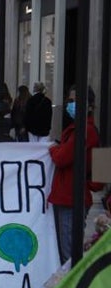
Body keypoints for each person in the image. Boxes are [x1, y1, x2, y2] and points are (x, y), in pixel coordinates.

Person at [48, 84, 100, 264]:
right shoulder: (87, 129)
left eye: (77, 101)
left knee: (69, 253)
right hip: (71, 196)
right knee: (67, 249)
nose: (72, 104)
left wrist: (54, 149)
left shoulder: (85, 130)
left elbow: (62, 158)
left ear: (90, 106)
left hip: (71, 197)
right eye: (70, 101)